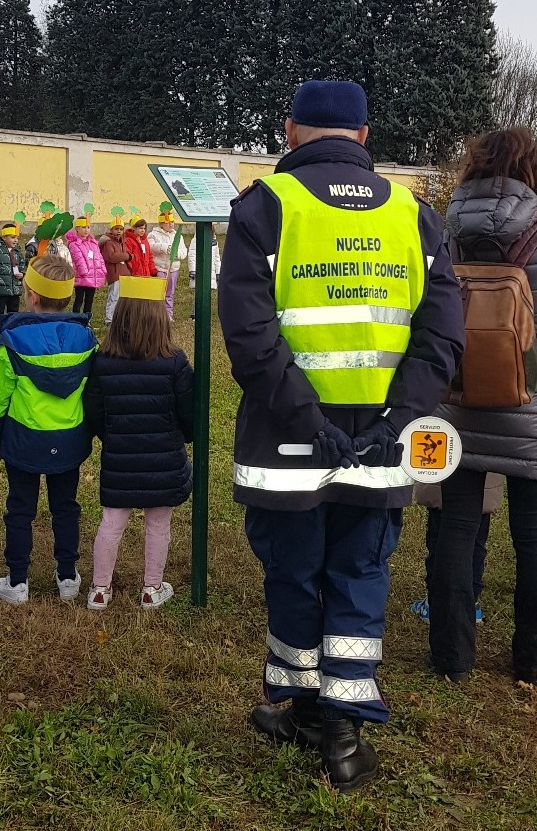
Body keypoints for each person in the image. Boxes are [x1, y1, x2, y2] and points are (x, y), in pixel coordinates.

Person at [218, 80, 464, 791]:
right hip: (382, 449)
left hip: (289, 450)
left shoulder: (265, 207)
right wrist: (394, 421)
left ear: (291, 130)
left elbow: (249, 333)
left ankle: (294, 706)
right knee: (359, 574)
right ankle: (345, 735)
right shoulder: (417, 217)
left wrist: (308, 421)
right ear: (363, 135)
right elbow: (441, 339)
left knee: (292, 574)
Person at [431, 127, 537, 686]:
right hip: (532, 406)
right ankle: (530, 661)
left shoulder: (448, 226)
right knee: (533, 538)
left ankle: (451, 657)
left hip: (461, 397)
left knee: (456, 528)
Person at [0, 255, 97, 604]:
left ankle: (17, 582)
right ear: (68, 295)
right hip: (70, 440)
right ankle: (67, 578)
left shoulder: (11, 343)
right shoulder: (87, 340)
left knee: (19, 509)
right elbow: (93, 393)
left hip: (23, 441)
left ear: (30, 294)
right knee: (66, 507)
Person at [83, 275, 194, 610]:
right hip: (164, 460)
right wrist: (179, 437)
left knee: (111, 522)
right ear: (161, 317)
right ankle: (151, 589)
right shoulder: (175, 362)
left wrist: (113, 435)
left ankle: (99, 590)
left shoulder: (102, 361)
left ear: (120, 317)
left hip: (120, 458)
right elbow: (189, 413)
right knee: (158, 525)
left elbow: (94, 411)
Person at [410, 477, 504, 625]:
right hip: (485, 479)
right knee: (476, 543)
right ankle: (471, 603)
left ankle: (435, 603)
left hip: (443, 476)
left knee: (441, 539)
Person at [148, 211, 188, 319]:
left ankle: (168, 313)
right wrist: (163, 247)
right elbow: (150, 247)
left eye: (172, 222)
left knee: (170, 292)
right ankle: (157, 313)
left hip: (173, 268)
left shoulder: (177, 236)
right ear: (161, 224)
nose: (170, 224)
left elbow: (183, 251)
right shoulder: (153, 234)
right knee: (160, 291)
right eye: (167, 222)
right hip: (160, 268)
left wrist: (176, 254)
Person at [0, 222, 25, 332]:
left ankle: (11, 330)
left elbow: (23, 266)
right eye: (13, 237)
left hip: (15, 288)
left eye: (17, 238)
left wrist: (22, 274)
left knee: (13, 311)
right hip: (1, 288)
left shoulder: (17, 251)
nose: (15, 240)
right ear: (4, 237)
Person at [66, 216, 107, 315]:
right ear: (77, 229)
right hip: (82, 277)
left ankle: (87, 318)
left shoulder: (93, 243)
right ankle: (76, 318)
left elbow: (99, 257)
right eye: (83, 227)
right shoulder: (74, 244)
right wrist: (85, 272)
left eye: (88, 227)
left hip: (92, 277)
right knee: (79, 299)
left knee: (89, 300)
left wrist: (103, 270)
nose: (86, 230)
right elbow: (78, 259)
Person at [99, 214, 132, 324]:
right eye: (116, 229)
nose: (118, 231)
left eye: (121, 229)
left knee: (123, 297)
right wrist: (126, 256)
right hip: (115, 273)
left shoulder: (122, 242)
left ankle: (120, 318)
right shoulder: (108, 243)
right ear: (111, 230)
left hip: (124, 273)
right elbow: (111, 257)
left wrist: (125, 255)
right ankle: (109, 318)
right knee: (114, 296)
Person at [187, 230, 221, 319]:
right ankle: (194, 314)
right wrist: (193, 270)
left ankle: (204, 313)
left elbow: (217, 257)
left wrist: (218, 272)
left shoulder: (214, 242)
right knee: (199, 294)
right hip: (200, 270)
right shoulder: (196, 240)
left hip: (211, 270)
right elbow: (192, 255)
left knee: (207, 294)